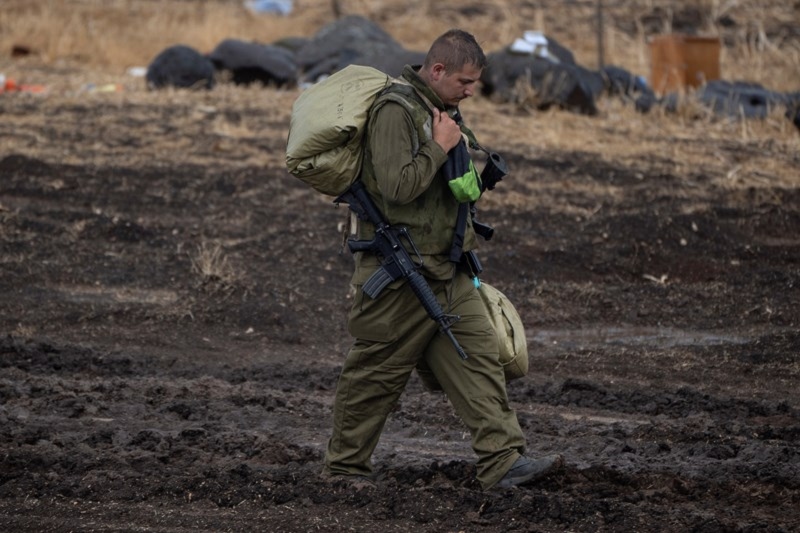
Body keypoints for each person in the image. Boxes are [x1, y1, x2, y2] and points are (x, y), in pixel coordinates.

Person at [322, 29, 563, 491]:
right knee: (375, 376)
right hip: (399, 274)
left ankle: (502, 461)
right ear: (437, 70)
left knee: (481, 358)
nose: (471, 91)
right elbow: (397, 188)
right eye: (464, 82)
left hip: (448, 268)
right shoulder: (395, 110)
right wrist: (440, 145)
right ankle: (344, 470)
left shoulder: (442, 112)